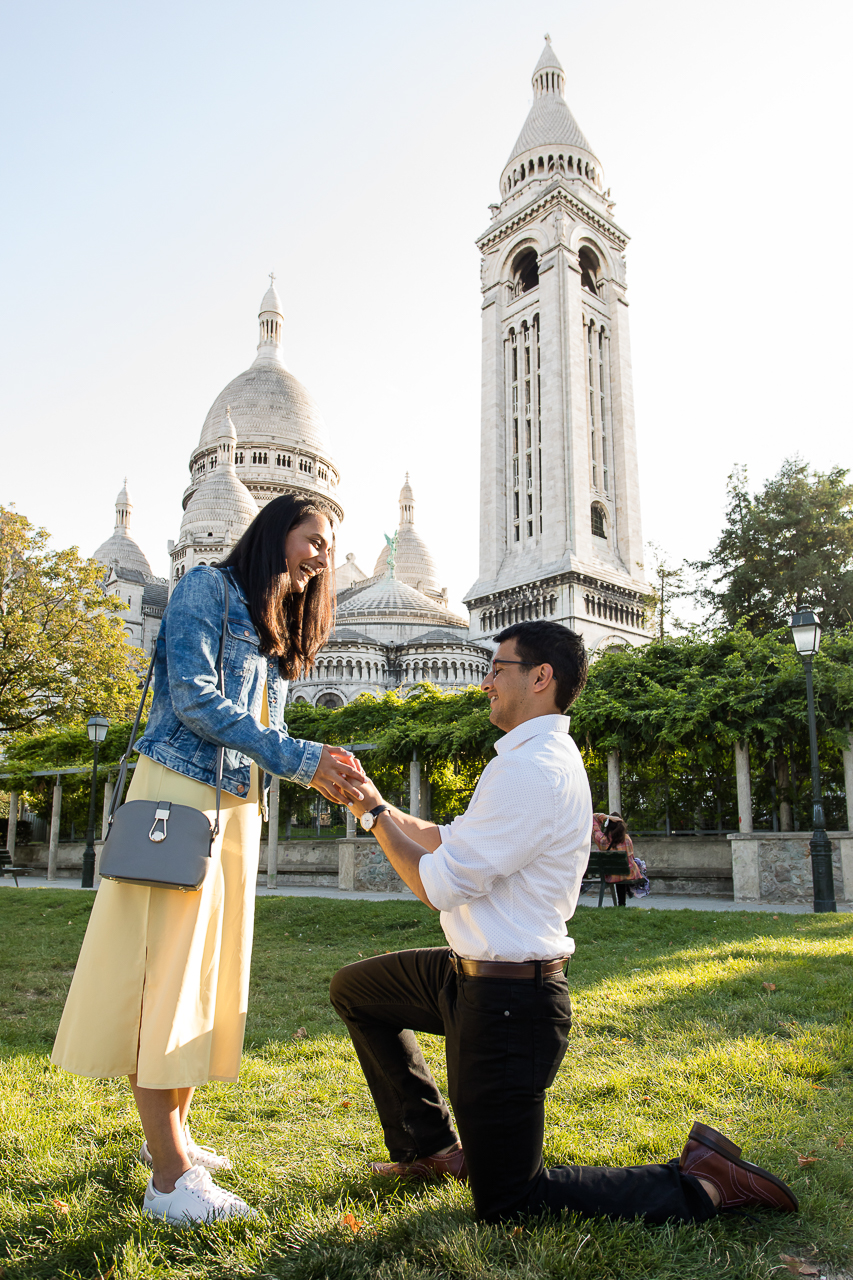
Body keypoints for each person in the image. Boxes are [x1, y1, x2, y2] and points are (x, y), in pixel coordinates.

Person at [330, 620, 798, 1226]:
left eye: (497, 669)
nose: (486, 684)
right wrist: (377, 798)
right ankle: (433, 1149)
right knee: (357, 991)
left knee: (509, 1202)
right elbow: (448, 841)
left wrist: (371, 816)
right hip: (468, 977)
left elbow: (439, 884)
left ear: (541, 677)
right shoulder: (525, 759)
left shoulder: (535, 769)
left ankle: (702, 1183)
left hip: (509, 1004)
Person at [52, 494, 365, 1224]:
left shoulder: (274, 622)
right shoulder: (204, 588)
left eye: (328, 545)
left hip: (234, 807)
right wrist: (299, 757)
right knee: (164, 975)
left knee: (200, 980)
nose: (321, 554)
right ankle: (168, 1180)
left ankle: (176, 1139)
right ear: (274, 532)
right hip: (181, 796)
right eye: (312, 537)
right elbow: (193, 698)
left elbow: (266, 724)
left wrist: (315, 765)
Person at [591, 811, 642, 906]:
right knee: (627, 868)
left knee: (617, 871)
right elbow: (630, 858)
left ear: (608, 825)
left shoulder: (602, 841)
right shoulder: (627, 839)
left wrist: (606, 817)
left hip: (610, 875)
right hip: (627, 873)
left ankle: (621, 901)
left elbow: (592, 818)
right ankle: (622, 902)